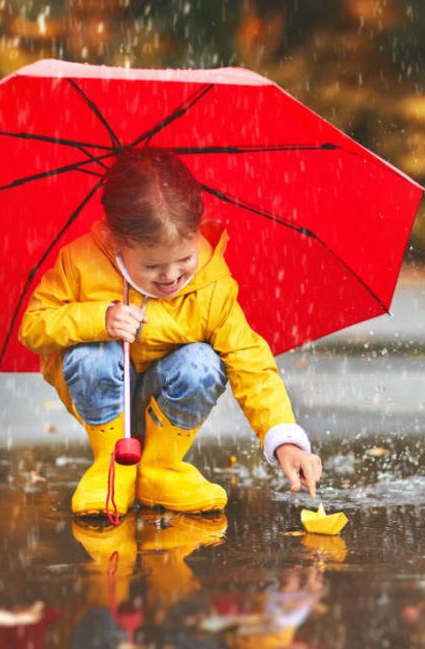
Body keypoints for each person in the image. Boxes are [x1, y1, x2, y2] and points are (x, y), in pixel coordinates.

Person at [19, 148, 322, 517]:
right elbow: (33, 327)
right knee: (91, 353)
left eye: (185, 259)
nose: (172, 277)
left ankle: (160, 469)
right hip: (101, 390)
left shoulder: (212, 285)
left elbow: (250, 363)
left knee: (204, 363)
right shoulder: (80, 262)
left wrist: (284, 440)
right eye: (153, 266)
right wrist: (100, 318)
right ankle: (111, 467)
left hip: (165, 396)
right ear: (116, 240)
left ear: (196, 232)